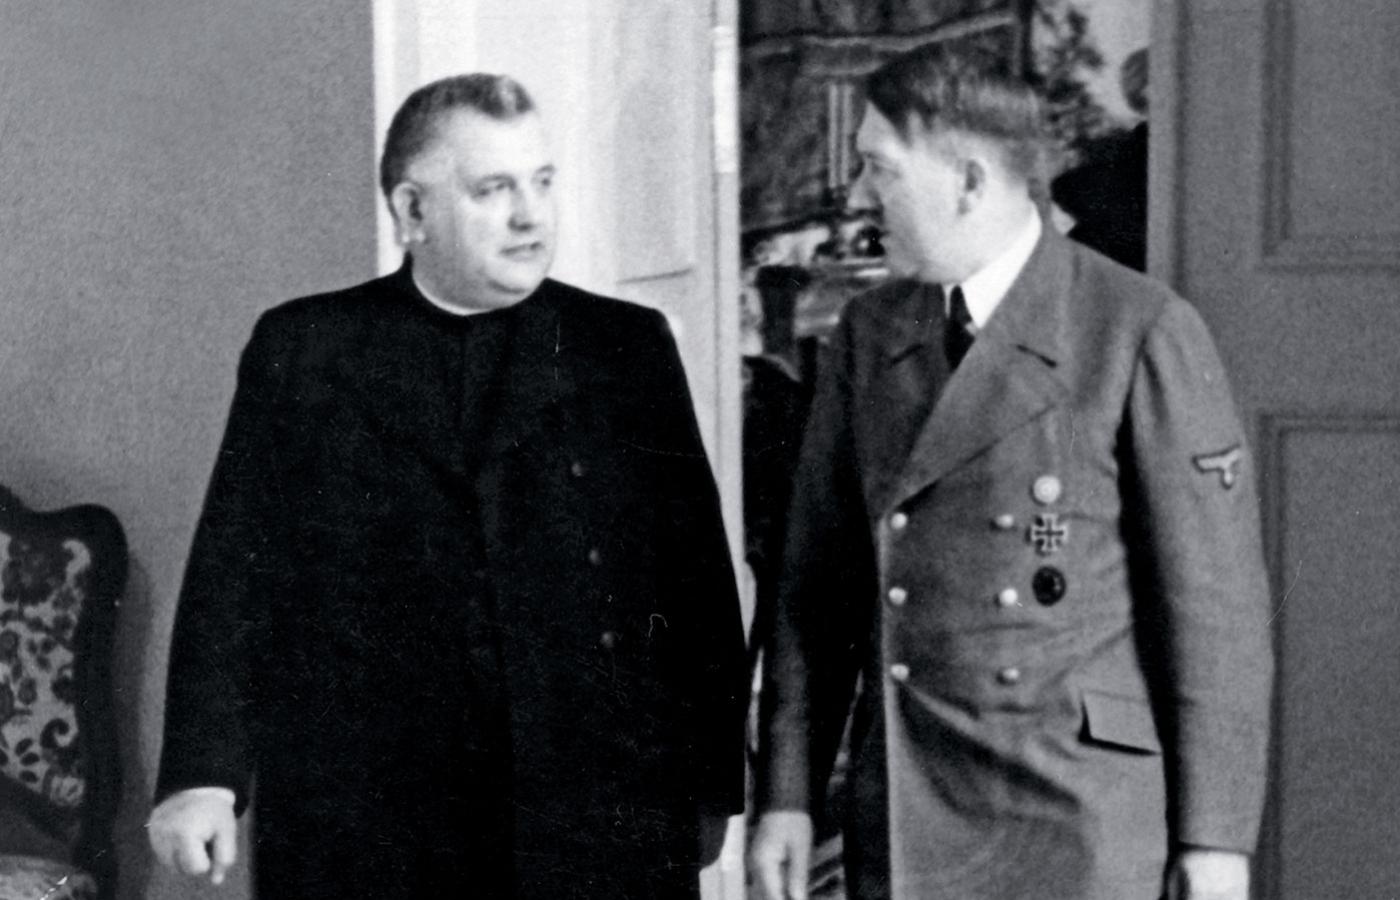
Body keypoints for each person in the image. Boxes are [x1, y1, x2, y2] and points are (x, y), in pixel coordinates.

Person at [145, 73, 747, 899]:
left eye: (542, 182)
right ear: (412, 211)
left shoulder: (623, 347)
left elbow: (695, 582)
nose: (531, 216)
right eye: (493, 190)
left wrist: (712, 783)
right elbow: (234, 576)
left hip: (590, 817)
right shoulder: (307, 352)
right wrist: (202, 775)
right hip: (371, 826)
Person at [749, 43, 1273, 900]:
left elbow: (1215, 615)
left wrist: (1215, 841)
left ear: (968, 181)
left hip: (1076, 816)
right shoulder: (870, 333)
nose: (859, 197)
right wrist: (788, 795)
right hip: (908, 808)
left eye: (879, 168)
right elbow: (815, 588)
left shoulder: (1137, 329)